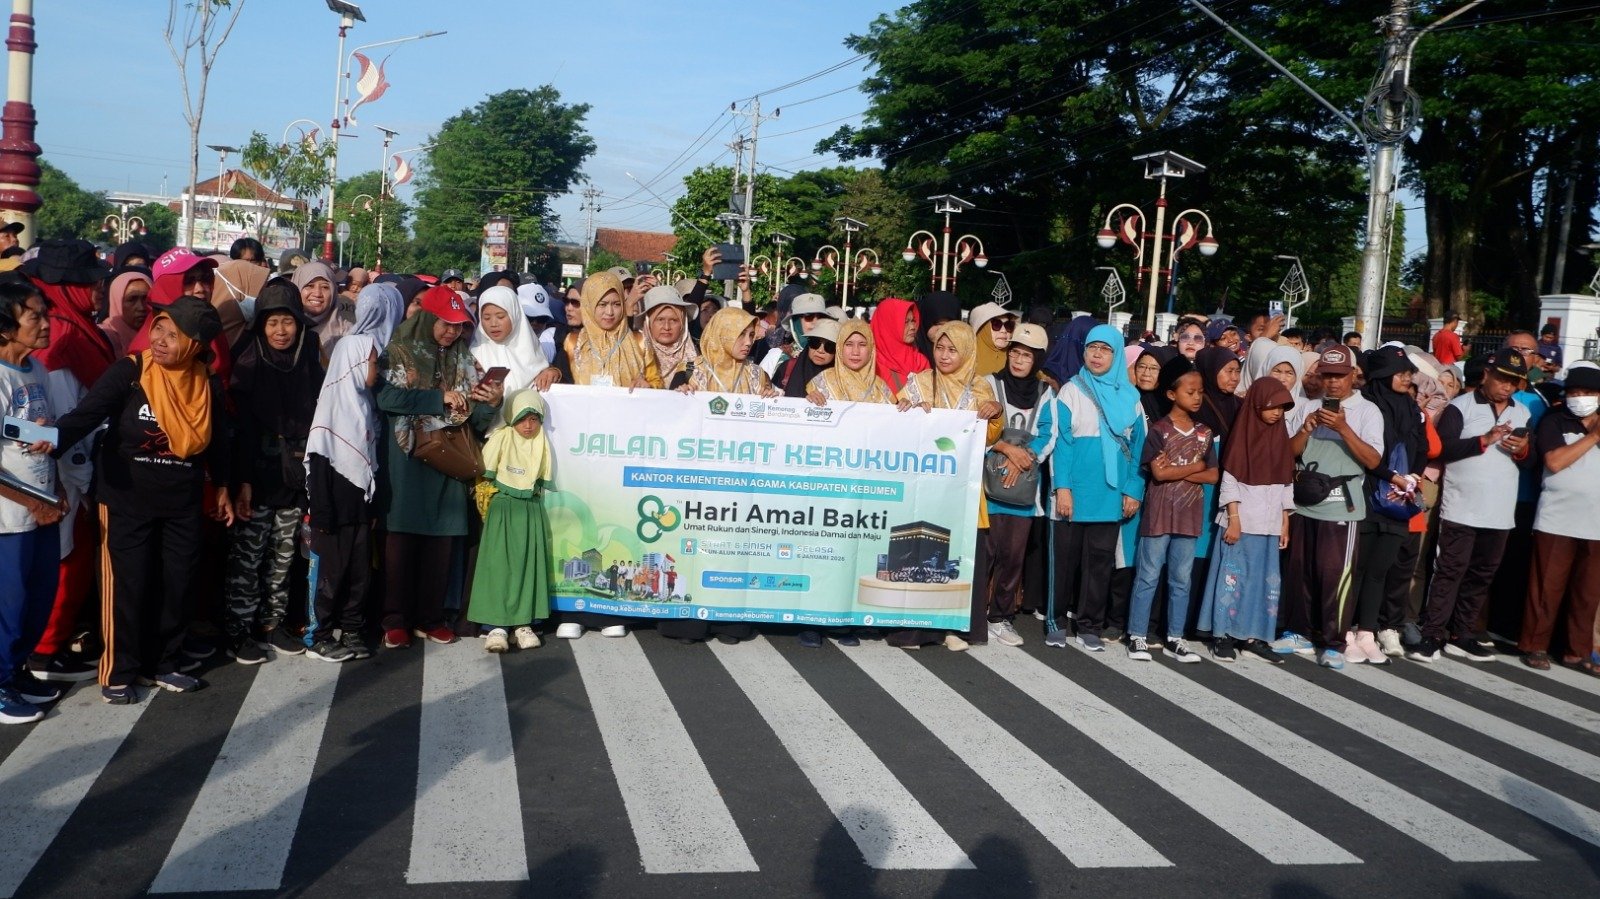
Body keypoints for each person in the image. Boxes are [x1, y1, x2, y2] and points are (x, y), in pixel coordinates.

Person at [52, 297, 233, 702]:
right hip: (125, 499)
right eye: (160, 328)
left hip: (181, 502)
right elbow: (85, 416)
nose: (162, 340)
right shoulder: (131, 372)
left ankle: (163, 664)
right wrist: (48, 442)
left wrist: (222, 485)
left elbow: (219, 441)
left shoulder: (205, 382)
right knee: (127, 586)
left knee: (177, 584)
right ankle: (119, 671)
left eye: (175, 335)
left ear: (196, 346)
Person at [376, 286, 502, 650]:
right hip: (409, 458)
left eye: (459, 325)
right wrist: (437, 397)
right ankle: (395, 619)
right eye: (445, 324)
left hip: (450, 457)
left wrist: (492, 402)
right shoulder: (398, 350)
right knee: (401, 542)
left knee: (441, 543)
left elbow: (475, 421)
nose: (451, 332)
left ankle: (430, 618)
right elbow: (387, 398)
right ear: (428, 318)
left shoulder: (464, 359)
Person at [222, 280, 325, 664]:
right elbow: (241, 429)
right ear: (260, 326)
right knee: (248, 556)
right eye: (272, 323)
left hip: (294, 475)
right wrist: (242, 482)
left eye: (288, 322)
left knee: (284, 555)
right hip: (256, 475)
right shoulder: (248, 361)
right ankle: (239, 630)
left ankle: (274, 623)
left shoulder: (307, 359)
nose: (281, 331)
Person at [1409, 350, 1533, 663]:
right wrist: (1484, 439)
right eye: (1502, 378)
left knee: (1482, 574)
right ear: (1487, 375)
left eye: (1514, 381)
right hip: (1461, 506)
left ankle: (1461, 634)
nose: (1507, 387)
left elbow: (1532, 460)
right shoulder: (1460, 407)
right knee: (1450, 571)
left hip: (1500, 509)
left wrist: (1523, 450)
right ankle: (1432, 633)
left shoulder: (1522, 413)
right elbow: (1443, 449)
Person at [303, 283, 404, 663]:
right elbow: (320, 458)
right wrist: (323, 513)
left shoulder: (364, 411)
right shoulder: (333, 411)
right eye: (373, 362)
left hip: (359, 509)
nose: (376, 370)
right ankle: (320, 634)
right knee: (330, 571)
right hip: (333, 511)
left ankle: (352, 627)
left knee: (358, 569)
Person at [1031, 324, 1145, 652]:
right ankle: (1056, 622)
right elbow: (1063, 444)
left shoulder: (1131, 398)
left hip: (1111, 495)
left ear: (1117, 355)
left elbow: (1138, 450)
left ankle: (1090, 625)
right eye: (1092, 348)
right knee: (1063, 561)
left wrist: (1132, 490)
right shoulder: (1071, 391)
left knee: (1099, 562)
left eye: (1106, 349)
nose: (1097, 355)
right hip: (1074, 493)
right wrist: (1062, 489)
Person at [895, 321, 1001, 651]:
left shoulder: (981, 387)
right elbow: (896, 420)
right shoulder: (920, 382)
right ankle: (915, 629)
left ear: (967, 351)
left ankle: (955, 627)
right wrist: (908, 410)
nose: (944, 355)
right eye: (939, 348)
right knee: (922, 550)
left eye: (952, 349)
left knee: (961, 555)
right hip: (923, 485)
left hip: (964, 488)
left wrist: (995, 414)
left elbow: (991, 435)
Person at [1279, 344, 1383, 669]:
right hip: (1305, 502)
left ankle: (1335, 642)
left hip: (1342, 508)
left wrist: (1343, 428)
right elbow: (1288, 453)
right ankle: (1299, 632)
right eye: (1328, 375)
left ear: (1354, 375)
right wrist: (1306, 428)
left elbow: (1374, 460)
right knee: (1300, 573)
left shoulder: (1368, 412)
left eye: (1340, 375)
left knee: (1335, 575)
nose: (1334, 382)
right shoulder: (1306, 406)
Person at [0, 281, 66, 723]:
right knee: (10, 602)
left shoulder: (37, 370)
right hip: (9, 516)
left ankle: (16, 671)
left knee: (39, 595)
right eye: (33, 317)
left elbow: (36, 433)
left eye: (45, 314)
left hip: (41, 508)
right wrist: (34, 502)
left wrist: (54, 495)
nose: (45, 325)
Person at [1126, 358, 1217, 663]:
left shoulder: (1205, 432)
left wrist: (1183, 470)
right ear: (1171, 394)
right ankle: (1137, 634)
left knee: (1181, 578)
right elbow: (1159, 474)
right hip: (1159, 513)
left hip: (1190, 518)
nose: (1197, 396)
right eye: (1190, 391)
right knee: (1149, 574)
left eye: (1200, 391)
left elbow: (1213, 475)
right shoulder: (1159, 430)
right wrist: (1195, 467)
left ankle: (1175, 637)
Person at [1201, 378, 1297, 663]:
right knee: (1233, 578)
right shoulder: (1241, 434)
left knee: (1264, 581)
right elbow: (1230, 479)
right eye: (1271, 406)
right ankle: (1224, 634)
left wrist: (1285, 521)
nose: (1277, 412)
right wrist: (1233, 518)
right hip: (1241, 522)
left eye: (1282, 407)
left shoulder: (1281, 436)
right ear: (1256, 404)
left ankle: (1255, 636)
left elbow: (1286, 482)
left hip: (1268, 524)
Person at [1343, 346, 1427, 664]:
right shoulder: (1364, 405)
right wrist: (1392, 477)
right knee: (1358, 567)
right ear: (1382, 375)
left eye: (1409, 374)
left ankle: (1367, 631)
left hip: (1400, 498)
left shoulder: (1410, 407)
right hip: (1367, 494)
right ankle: (1345, 630)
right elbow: (1367, 453)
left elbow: (1419, 446)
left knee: (1380, 569)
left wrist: (1411, 478)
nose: (1407, 379)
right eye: (1401, 373)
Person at [1515, 361, 1600, 670]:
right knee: (1546, 588)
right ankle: (1535, 646)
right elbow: (1553, 461)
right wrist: (1592, 438)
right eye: (1575, 392)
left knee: (1587, 593)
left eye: (1588, 392)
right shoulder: (1555, 420)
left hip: (1596, 521)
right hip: (1557, 518)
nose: (1581, 397)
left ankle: (1577, 651)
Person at [981, 323, 1051, 648]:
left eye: (1026, 355)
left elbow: (1050, 433)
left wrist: (1026, 455)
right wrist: (1005, 449)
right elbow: (974, 425)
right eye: (1015, 353)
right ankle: (975, 615)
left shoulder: (1045, 393)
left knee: (1013, 557)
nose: (1019, 360)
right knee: (986, 553)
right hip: (988, 486)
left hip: (1023, 488)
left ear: (1037, 360)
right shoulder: (988, 384)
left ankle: (1000, 617)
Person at [467, 389, 552, 654]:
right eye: (522, 418)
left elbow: (542, 478)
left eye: (534, 419)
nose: (528, 425)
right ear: (511, 418)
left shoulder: (542, 443)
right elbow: (486, 475)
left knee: (527, 563)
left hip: (530, 508)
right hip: (503, 507)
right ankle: (496, 626)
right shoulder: (501, 438)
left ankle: (523, 624)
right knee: (499, 564)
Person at [469, 285, 557, 422]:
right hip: (492, 439)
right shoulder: (474, 357)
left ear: (515, 314)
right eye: (486, 318)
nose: (493, 324)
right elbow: (474, 420)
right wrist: (493, 403)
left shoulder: (532, 349)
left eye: (500, 316)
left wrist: (554, 373)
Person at [565, 272, 660, 390]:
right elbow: (562, 382)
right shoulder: (573, 342)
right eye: (602, 304)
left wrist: (648, 386)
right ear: (589, 305)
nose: (609, 312)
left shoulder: (640, 342)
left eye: (616, 304)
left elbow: (656, 381)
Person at [806, 319, 894, 406]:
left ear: (871, 349)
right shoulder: (823, 381)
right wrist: (808, 400)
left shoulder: (880, 386)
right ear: (840, 348)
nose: (855, 352)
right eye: (849, 344)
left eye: (862, 344)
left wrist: (904, 408)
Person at [639, 285, 698, 387]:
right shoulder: (634, 353)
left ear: (683, 324)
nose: (666, 327)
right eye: (660, 319)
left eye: (674, 320)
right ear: (648, 323)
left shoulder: (696, 362)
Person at [869, 297, 927, 394]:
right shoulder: (871, 364)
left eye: (913, 320)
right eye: (906, 322)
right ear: (888, 324)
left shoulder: (920, 362)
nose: (913, 327)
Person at [295, 261, 349, 359]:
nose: (317, 293)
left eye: (325, 287)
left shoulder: (347, 333)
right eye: (310, 286)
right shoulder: (285, 327)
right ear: (297, 287)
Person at [780, 319, 838, 398]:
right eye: (815, 342)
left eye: (830, 346)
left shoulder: (843, 381)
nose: (820, 350)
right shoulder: (785, 368)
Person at [99, 270, 152, 359]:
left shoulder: (159, 335)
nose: (141, 308)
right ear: (116, 301)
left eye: (146, 299)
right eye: (132, 299)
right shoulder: (103, 337)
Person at [969, 302, 1016, 377]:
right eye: (996, 324)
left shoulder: (1017, 357)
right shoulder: (965, 358)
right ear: (983, 329)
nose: (1003, 330)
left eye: (1008, 325)